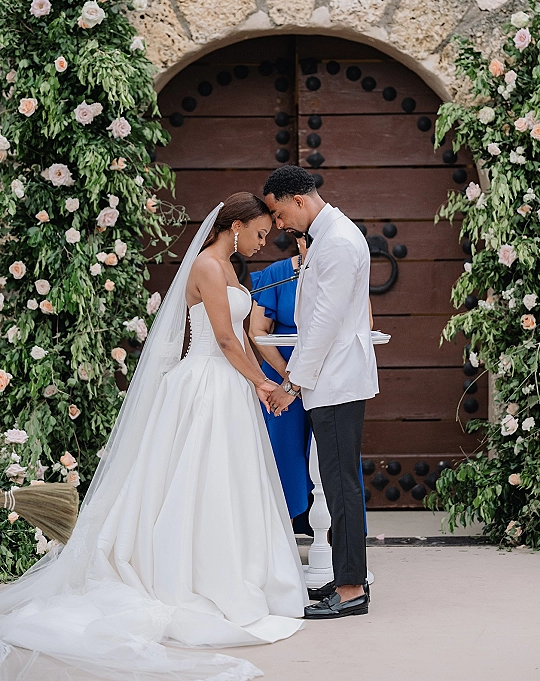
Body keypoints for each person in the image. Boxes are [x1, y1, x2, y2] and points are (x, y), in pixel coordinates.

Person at [0, 193, 307, 681]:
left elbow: (250, 337)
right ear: (235, 227)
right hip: (204, 384)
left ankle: (239, 570)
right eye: (259, 232)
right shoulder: (207, 266)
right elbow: (224, 340)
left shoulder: (234, 270)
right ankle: (186, 572)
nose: (263, 241)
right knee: (193, 478)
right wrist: (264, 385)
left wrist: (286, 378)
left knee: (230, 482)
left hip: (229, 385)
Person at [263, 166, 379, 620]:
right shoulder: (326, 237)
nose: (277, 225)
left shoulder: (338, 243)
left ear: (296, 199)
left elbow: (324, 325)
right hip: (329, 379)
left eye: (277, 213)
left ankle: (351, 590)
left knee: (340, 484)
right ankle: (346, 579)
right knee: (335, 482)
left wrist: (292, 384)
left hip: (334, 381)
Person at [249, 235, 314, 528]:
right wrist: (290, 376)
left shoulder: (342, 270)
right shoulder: (276, 274)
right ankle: (282, 532)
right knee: (282, 450)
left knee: (329, 454)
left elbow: (365, 322)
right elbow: (257, 330)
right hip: (281, 374)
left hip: (325, 373)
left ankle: (334, 538)